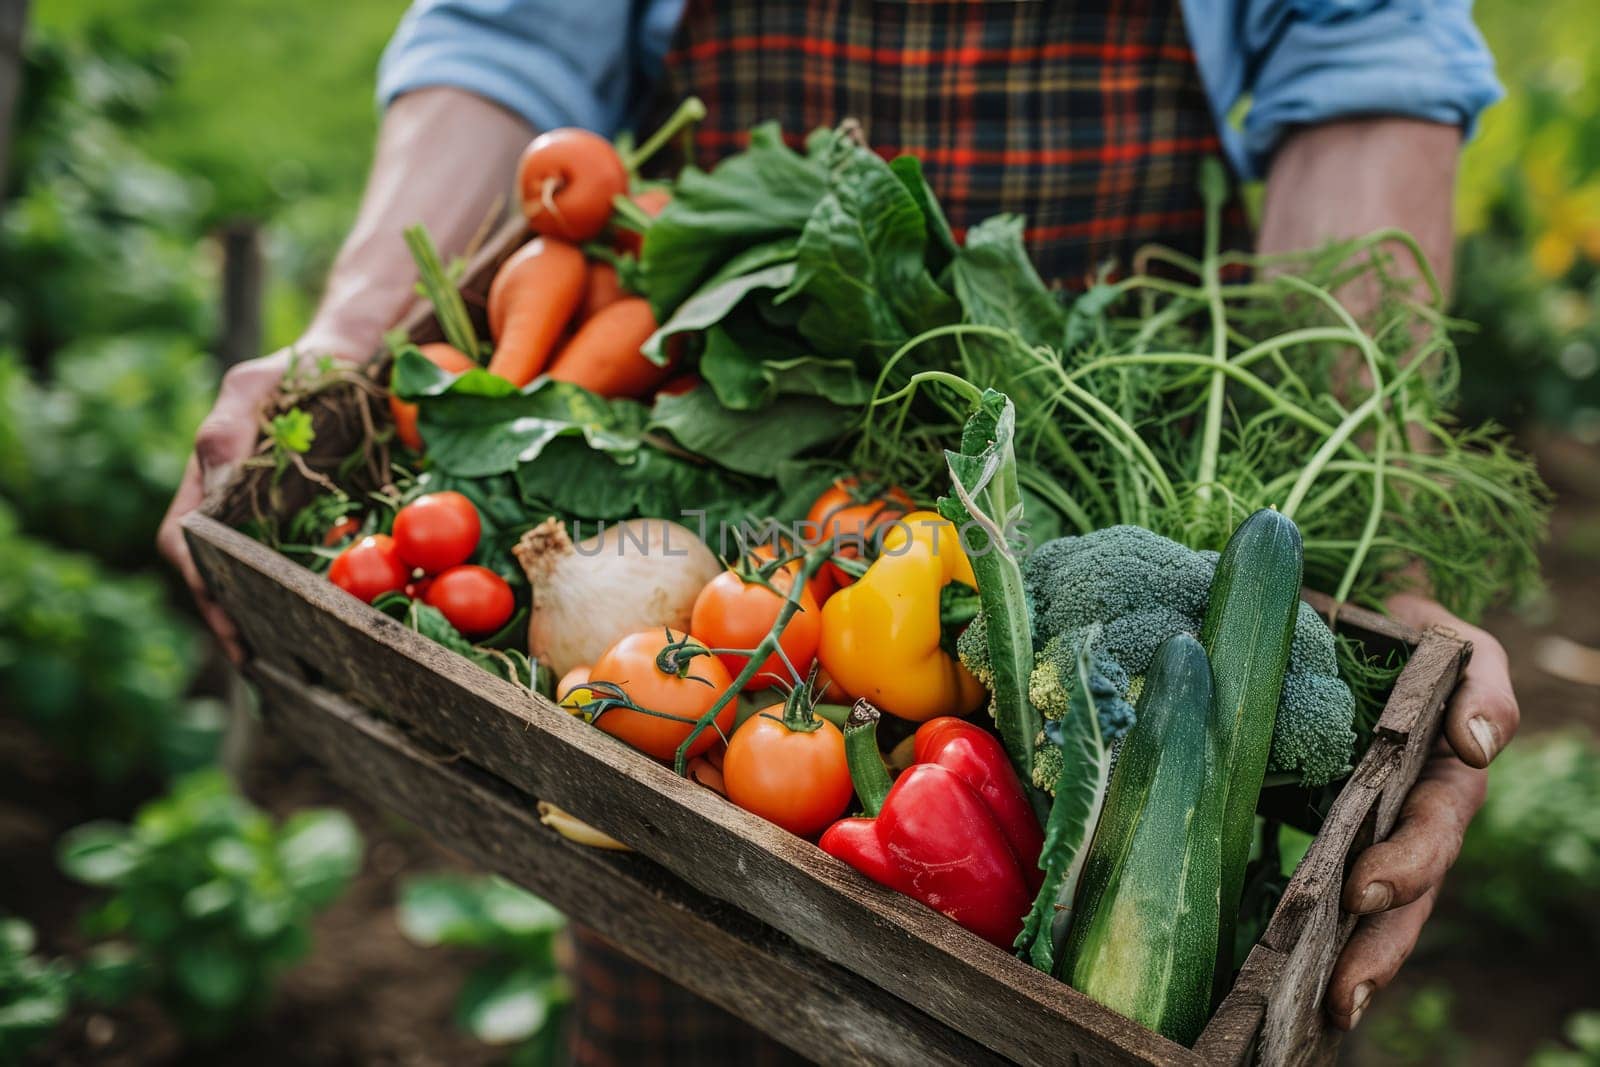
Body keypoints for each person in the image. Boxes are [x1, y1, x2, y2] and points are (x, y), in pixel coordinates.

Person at [158, 0, 1521, 1060]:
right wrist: (342, 349)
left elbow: (1363, 57)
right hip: (739, 498)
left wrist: (1369, 536)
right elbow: (515, 34)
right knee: (689, 951)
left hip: (1115, 428)